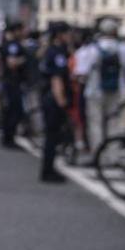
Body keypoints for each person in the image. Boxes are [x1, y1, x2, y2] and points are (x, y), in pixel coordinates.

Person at [81, 19, 125, 161]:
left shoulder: (91, 49)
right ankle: (114, 155)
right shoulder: (124, 48)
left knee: (95, 123)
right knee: (114, 122)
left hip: (94, 90)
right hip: (117, 89)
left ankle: (98, 154)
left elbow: (82, 72)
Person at [39, 21, 73, 183]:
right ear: (60, 34)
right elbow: (57, 79)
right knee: (52, 137)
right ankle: (48, 171)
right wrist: (61, 101)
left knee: (51, 137)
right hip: (53, 99)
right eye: (67, 33)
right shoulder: (58, 53)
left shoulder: (49, 50)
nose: (69, 36)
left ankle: (48, 169)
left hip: (47, 97)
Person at [0, 21, 27, 149]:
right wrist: (25, 59)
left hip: (12, 82)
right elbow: (12, 63)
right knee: (14, 111)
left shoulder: (12, 44)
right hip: (12, 82)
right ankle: (8, 138)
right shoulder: (12, 45)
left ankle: (8, 137)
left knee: (13, 111)